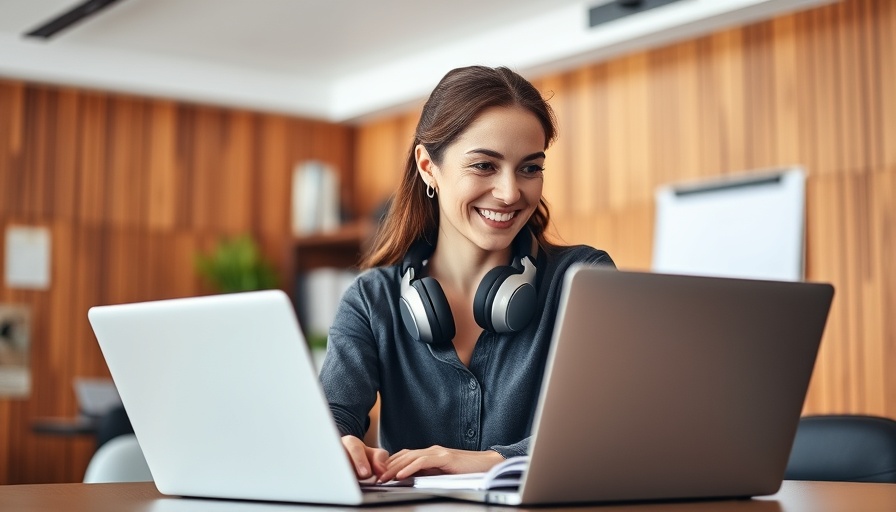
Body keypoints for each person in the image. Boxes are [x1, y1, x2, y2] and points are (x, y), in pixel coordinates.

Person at [319, 65, 615, 484]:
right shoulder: (372, 299)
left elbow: (604, 425)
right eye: (484, 166)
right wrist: (335, 442)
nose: (511, 193)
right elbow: (332, 413)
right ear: (428, 166)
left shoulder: (583, 279)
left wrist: (495, 461)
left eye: (530, 168)